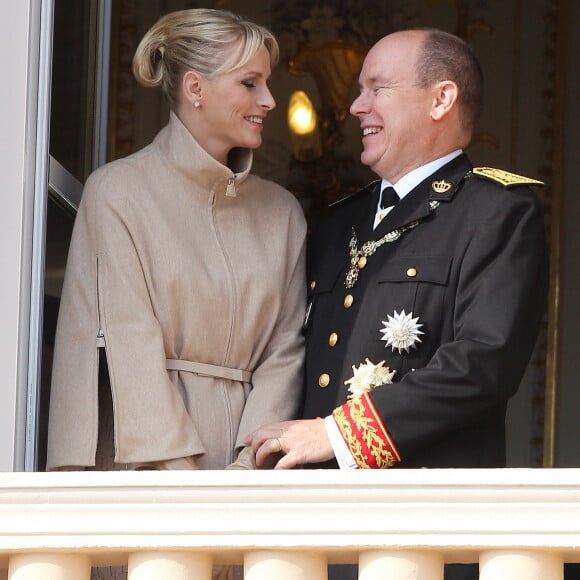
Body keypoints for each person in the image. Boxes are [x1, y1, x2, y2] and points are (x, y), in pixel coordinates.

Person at [246, 28, 548, 579]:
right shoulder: (338, 223)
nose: (357, 106)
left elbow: (482, 365)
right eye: (360, 90)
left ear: (441, 99)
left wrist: (333, 435)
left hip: (426, 528)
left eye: (378, 88)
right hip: (316, 536)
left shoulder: (496, 210)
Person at [46, 8, 307, 473]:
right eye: (250, 83)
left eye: (266, 83)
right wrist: (179, 483)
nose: (269, 100)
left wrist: (252, 467)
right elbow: (130, 344)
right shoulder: (118, 192)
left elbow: (284, 351)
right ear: (195, 88)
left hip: (257, 482)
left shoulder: (283, 212)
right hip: (145, 467)